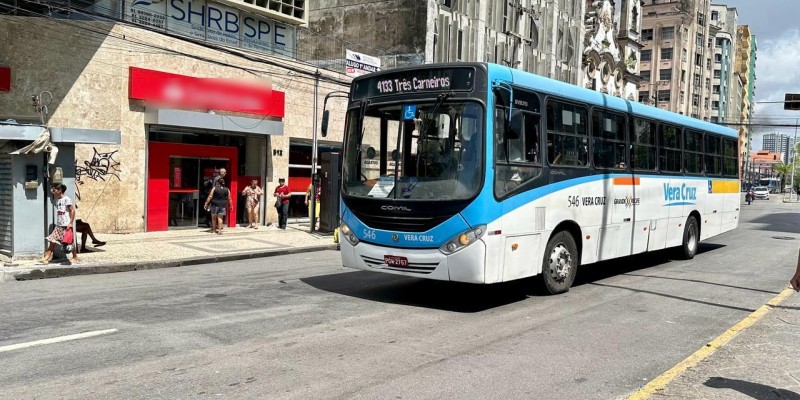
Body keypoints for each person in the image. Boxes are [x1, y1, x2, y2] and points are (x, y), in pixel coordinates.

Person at [41, 183, 79, 264]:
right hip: (59, 225)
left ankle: (75, 257)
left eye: (55, 190)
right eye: (53, 190)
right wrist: (53, 189)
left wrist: (71, 223)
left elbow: (72, 210)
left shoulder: (67, 199)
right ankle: (47, 258)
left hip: (66, 224)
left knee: (69, 242)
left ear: (60, 190)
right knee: (53, 240)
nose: (53, 191)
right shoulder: (58, 200)